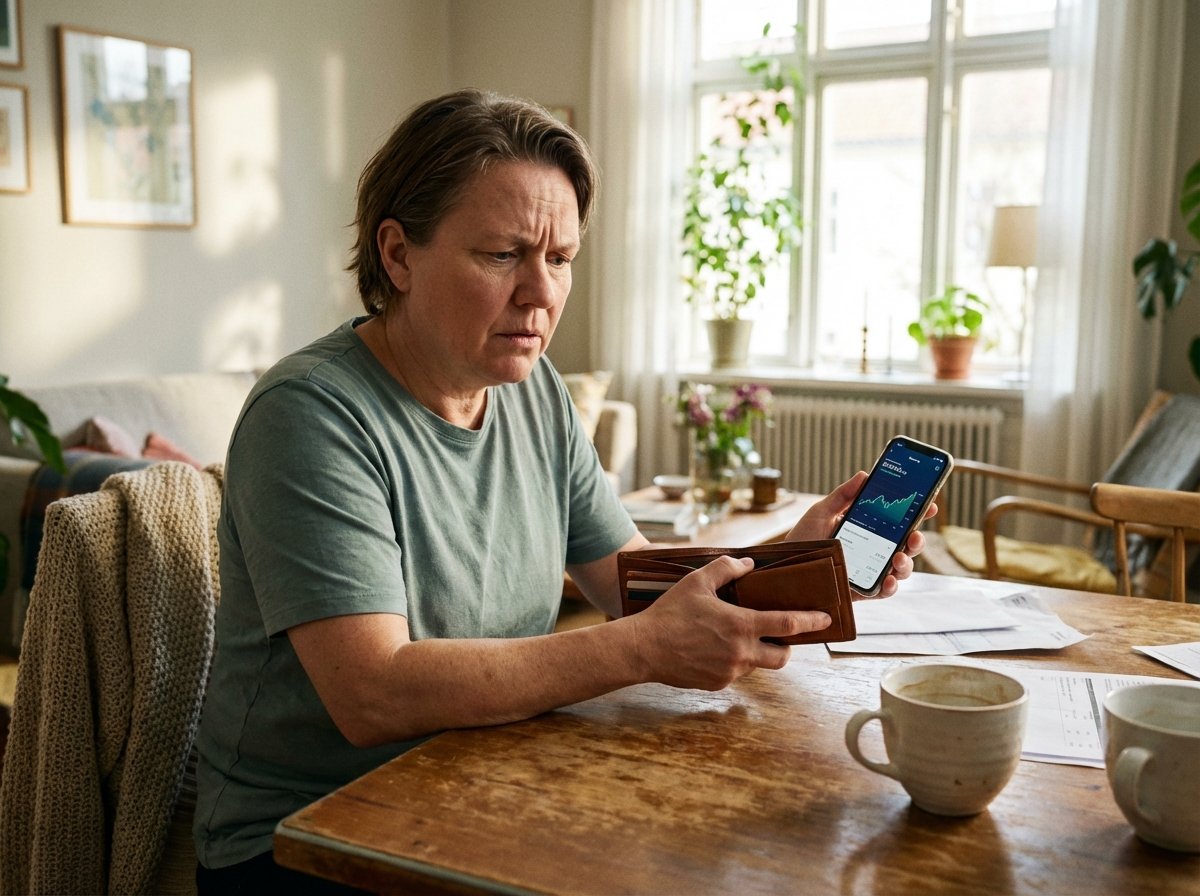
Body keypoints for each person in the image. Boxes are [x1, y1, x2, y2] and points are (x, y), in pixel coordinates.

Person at [192, 88, 930, 893]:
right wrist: (643, 651)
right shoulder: (310, 415)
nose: (541, 295)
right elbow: (373, 693)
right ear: (398, 255)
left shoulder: (532, 389)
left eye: (561, 258)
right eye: (502, 255)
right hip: (307, 836)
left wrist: (779, 561)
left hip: (486, 775)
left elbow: (630, 581)